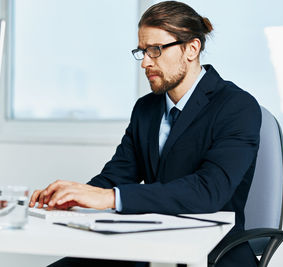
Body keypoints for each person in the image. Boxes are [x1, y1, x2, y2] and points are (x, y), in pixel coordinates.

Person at [29, 1, 261, 266]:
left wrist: (110, 197)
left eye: (156, 50)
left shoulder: (236, 107)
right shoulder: (146, 109)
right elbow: (118, 175)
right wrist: (75, 195)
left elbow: (208, 191)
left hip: (211, 253)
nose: (146, 63)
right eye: (142, 52)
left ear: (192, 48)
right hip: (148, 243)